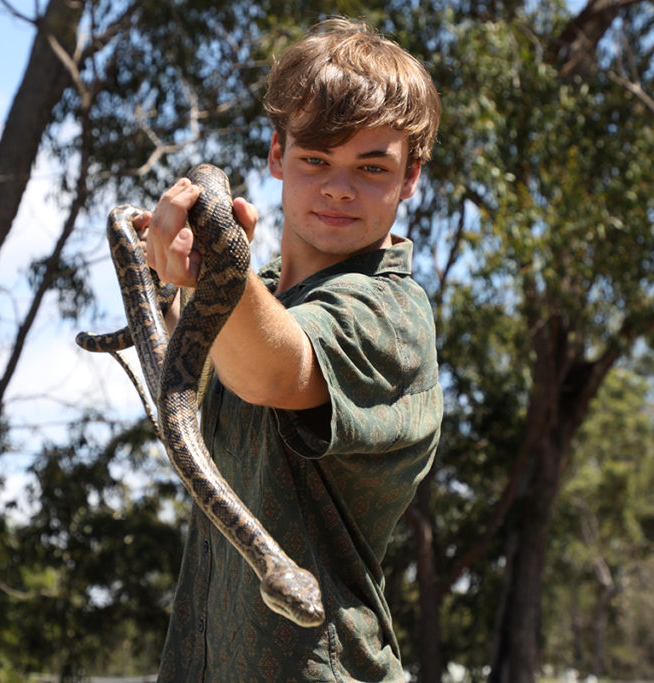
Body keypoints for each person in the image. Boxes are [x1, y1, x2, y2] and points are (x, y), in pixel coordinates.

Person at [140, 17, 443, 681]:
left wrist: (219, 267)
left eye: (372, 166)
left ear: (411, 176)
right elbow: (212, 353)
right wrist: (185, 276)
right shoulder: (262, 295)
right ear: (278, 155)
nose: (340, 187)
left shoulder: (391, 314)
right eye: (316, 159)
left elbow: (275, 372)